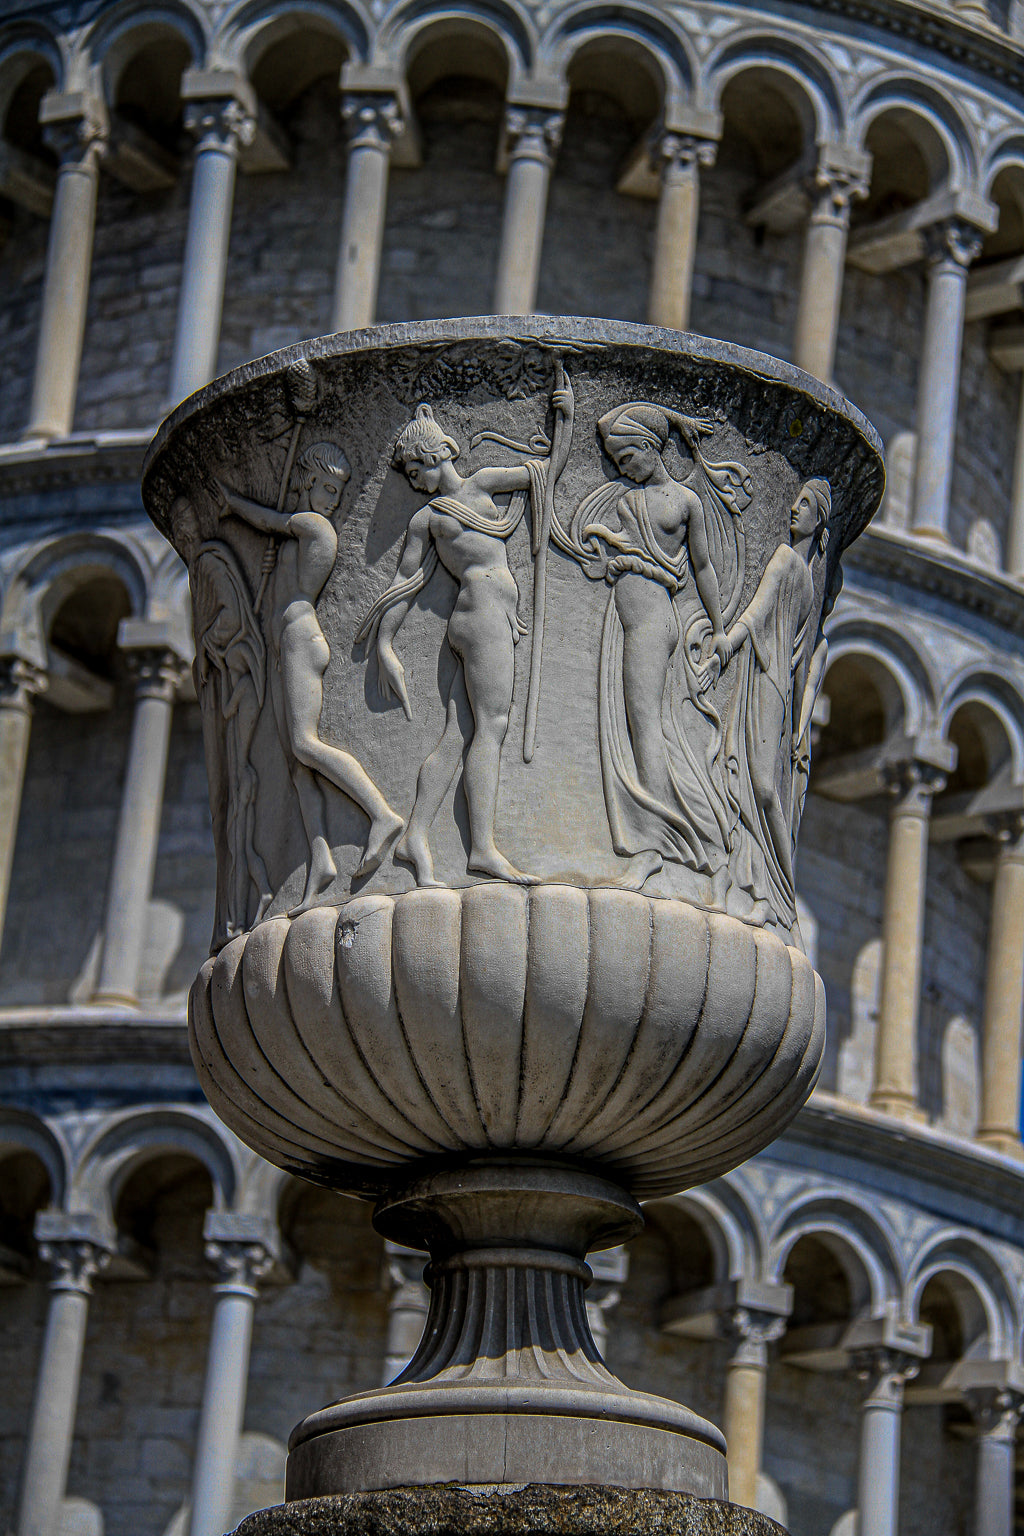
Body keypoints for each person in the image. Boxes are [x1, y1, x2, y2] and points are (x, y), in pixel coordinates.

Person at [357, 387, 573, 887]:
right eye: (409, 477)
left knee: (459, 732)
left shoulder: (480, 486)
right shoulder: (430, 518)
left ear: (437, 455)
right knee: (492, 727)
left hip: (479, 619)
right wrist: (385, 642)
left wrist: (565, 421)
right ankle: (482, 849)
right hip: (481, 619)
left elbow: (545, 475)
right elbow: (403, 584)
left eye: (416, 471)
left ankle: (415, 834)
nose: (414, 483)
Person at [551, 401, 750, 893]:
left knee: (645, 729)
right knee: (628, 726)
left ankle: (657, 847)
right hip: (622, 621)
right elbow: (611, 546)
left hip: (652, 622)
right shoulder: (627, 502)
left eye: (627, 460)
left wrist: (721, 629)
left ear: (648, 448)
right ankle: (665, 836)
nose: (623, 470)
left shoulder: (683, 501)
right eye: (616, 464)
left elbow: (702, 568)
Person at [218, 442, 402, 913]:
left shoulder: (312, 525)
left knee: (305, 744)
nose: (331, 500)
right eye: (324, 488)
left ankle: (380, 814)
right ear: (305, 480)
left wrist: (231, 503)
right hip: (284, 642)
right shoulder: (297, 537)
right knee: (297, 766)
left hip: (301, 639)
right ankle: (319, 863)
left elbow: (266, 522)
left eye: (337, 492)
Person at [721, 478, 831, 932]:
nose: (792, 508)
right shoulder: (802, 572)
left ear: (818, 518)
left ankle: (778, 891)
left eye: (804, 504)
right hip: (771, 683)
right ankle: (764, 889)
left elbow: (756, 613)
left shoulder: (790, 564)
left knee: (763, 789)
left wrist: (725, 644)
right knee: (752, 784)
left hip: (765, 679)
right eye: (795, 499)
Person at [175, 497, 271, 947]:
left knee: (236, 799)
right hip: (224, 686)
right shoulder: (200, 568)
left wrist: (212, 644)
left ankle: (242, 906)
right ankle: (232, 911)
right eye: (176, 527)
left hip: (237, 683)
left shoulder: (211, 563)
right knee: (227, 804)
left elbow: (233, 616)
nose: (181, 533)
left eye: (183, 523)